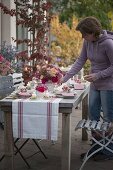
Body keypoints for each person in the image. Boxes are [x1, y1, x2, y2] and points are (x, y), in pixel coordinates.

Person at [60, 16, 113, 161]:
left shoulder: (108, 44)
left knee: (108, 118)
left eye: (84, 33)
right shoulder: (87, 42)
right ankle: (96, 147)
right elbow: (80, 60)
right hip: (95, 85)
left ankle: (108, 151)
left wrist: (98, 75)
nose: (82, 36)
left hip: (109, 85)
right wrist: (64, 78)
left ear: (92, 32)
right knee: (93, 115)